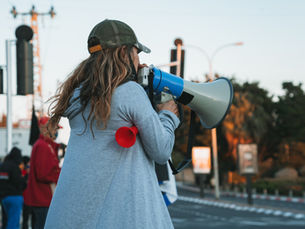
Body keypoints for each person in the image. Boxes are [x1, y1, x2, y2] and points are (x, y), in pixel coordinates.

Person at [44, 19, 180, 229]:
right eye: (137, 53)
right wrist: (168, 115)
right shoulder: (129, 93)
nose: (138, 60)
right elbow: (161, 150)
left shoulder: (77, 94)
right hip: (122, 217)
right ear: (124, 52)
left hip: (71, 215)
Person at [23, 116, 61, 229]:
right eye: (55, 128)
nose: (56, 132)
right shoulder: (43, 146)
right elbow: (43, 174)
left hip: (43, 198)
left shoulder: (44, 145)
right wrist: (60, 175)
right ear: (45, 129)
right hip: (43, 198)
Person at [0, 147, 26, 229]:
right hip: (15, 197)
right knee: (14, 222)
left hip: (4, 198)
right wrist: (24, 183)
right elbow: (18, 181)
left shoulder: (2, 165)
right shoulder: (15, 166)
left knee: (7, 220)